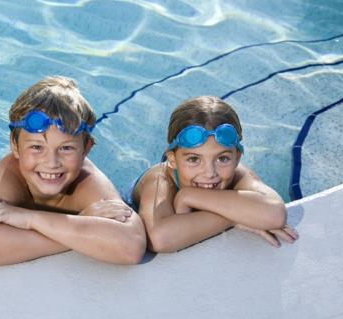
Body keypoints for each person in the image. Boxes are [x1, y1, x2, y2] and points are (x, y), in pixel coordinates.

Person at [0, 76, 146, 266]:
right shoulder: (9, 175)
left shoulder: (87, 181)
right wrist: (80, 221)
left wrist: (29, 219)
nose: (51, 163)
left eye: (66, 148)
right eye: (36, 147)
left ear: (86, 149)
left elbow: (131, 247)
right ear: (15, 146)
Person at [128, 95, 298, 253]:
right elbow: (159, 239)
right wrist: (235, 218)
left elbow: (275, 214)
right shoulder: (159, 180)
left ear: (237, 158)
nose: (209, 173)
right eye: (194, 159)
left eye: (222, 159)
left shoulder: (238, 175)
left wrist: (189, 196)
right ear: (172, 158)